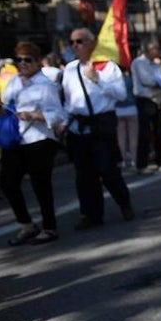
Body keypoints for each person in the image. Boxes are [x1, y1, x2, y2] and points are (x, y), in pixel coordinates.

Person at [60, 27, 134, 229]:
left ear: (92, 43)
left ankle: (123, 201)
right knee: (84, 174)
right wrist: (64, 122)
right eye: (72, 42)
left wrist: (98, 80)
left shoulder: (107, 67)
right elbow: (69, 100)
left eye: (80, 41)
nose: (75, 45)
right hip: (79, 126)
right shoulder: (70, 69)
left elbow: (120, 94)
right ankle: (91, 214)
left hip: (102, 124)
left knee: (107, 169)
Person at [1, 42, 67, 244]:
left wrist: (34, 115)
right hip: (15, 139)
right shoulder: (13, 82)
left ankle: (49, 227)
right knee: (8, 183)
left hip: (39, 140)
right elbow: (7, 106)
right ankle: (27, 225)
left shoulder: (45, 85)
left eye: (27, 59)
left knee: (41, 184)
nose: (23, 63)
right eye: (19, 59)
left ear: (38, 62)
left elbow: (58, 114)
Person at [132, 39, 161, 173]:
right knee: (144, 133)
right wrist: (160, 81)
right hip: (145, 100)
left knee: (160, 131)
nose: (157, 51)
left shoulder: (156, 64)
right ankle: (142, 164)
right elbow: (147, 80)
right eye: (155, 48)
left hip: (158, 100)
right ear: (148, 50)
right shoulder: (139, 63)